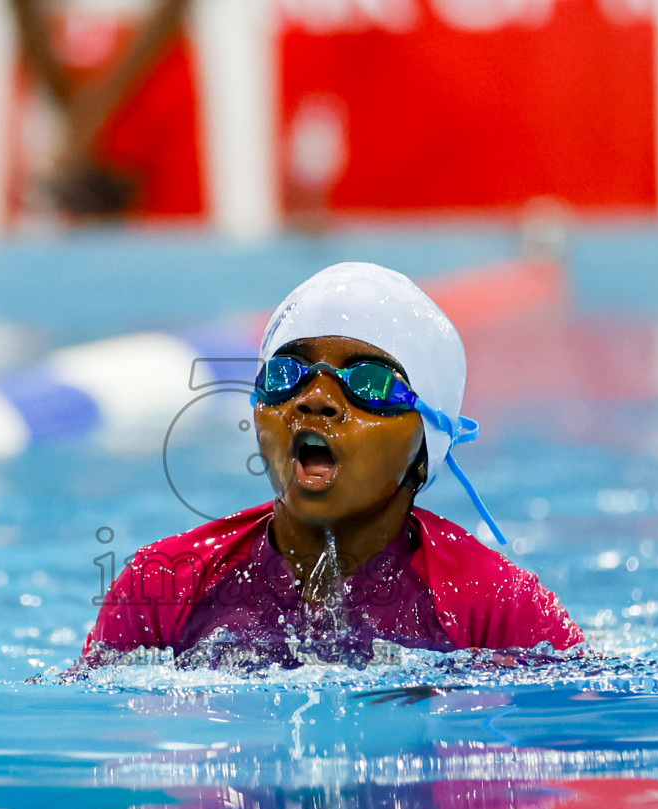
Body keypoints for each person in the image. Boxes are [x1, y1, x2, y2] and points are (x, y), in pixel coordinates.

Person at [83, 262, 584, 668]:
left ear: (427, 441)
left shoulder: (498, 605)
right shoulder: (163, 585)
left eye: (369, 383)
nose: (315, 399)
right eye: (286, 374)